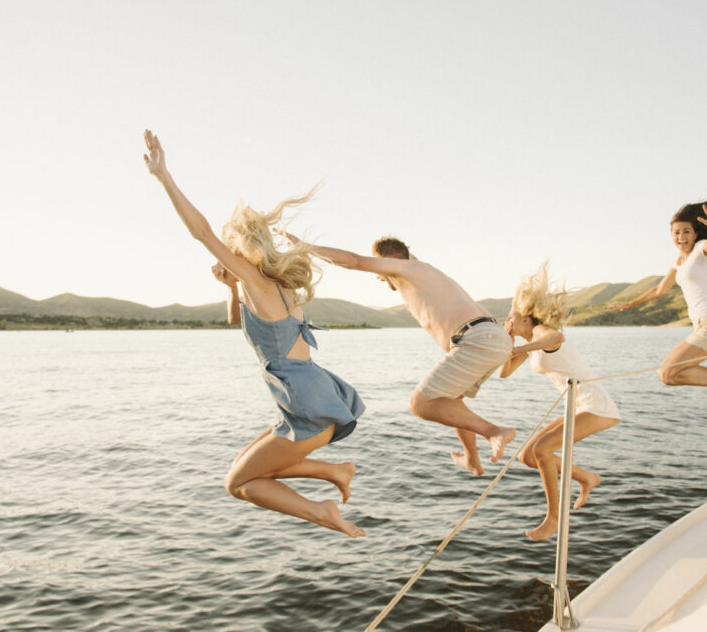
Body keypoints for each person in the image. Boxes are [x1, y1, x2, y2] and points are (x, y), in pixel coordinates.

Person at [142, 130, 366, 537]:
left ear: (240, 250)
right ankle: (334, 471)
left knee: (238, 483)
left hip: (307, 402)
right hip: (308, 394)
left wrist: (164, 177)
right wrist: (230, 288)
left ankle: (322, 511)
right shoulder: (278, 287)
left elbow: (201, 232)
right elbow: (237, 323)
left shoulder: (259, 281)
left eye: (230, 250)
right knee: (241, 469)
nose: (225, 256)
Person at [287, 233, 515, 476]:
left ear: (392, 260)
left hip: (477, 339)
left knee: (421, 405)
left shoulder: (408, 268)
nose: (378, 275)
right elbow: (399, 255)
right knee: (451, 401)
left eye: (381, 267)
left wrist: (306, 248)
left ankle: (494, 432)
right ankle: (472, 459)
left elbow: (354, 261)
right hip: (492, 338)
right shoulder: (418, 272)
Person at [501, 263, 620, 541]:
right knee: (528, 456)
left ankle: (554, 518)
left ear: (526, 319)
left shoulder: (542, 333)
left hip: (595, 405)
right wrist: (510, 343)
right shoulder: (530, 342)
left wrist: (522, 346)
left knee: (543, 449)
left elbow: (557, 337)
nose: (507, 320)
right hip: (577, 406)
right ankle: (586, 477)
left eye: (510, 316)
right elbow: (504, 373)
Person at [609, 195, 707, 397]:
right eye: (677, 232)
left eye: (686, 232)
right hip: (701, 326)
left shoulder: (702, 248)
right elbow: (659, 289)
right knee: (668, 375)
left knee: (667, 373)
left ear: (695, 234)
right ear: (671, 235)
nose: (681, 237)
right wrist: (631, 303)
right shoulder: (679, 261)